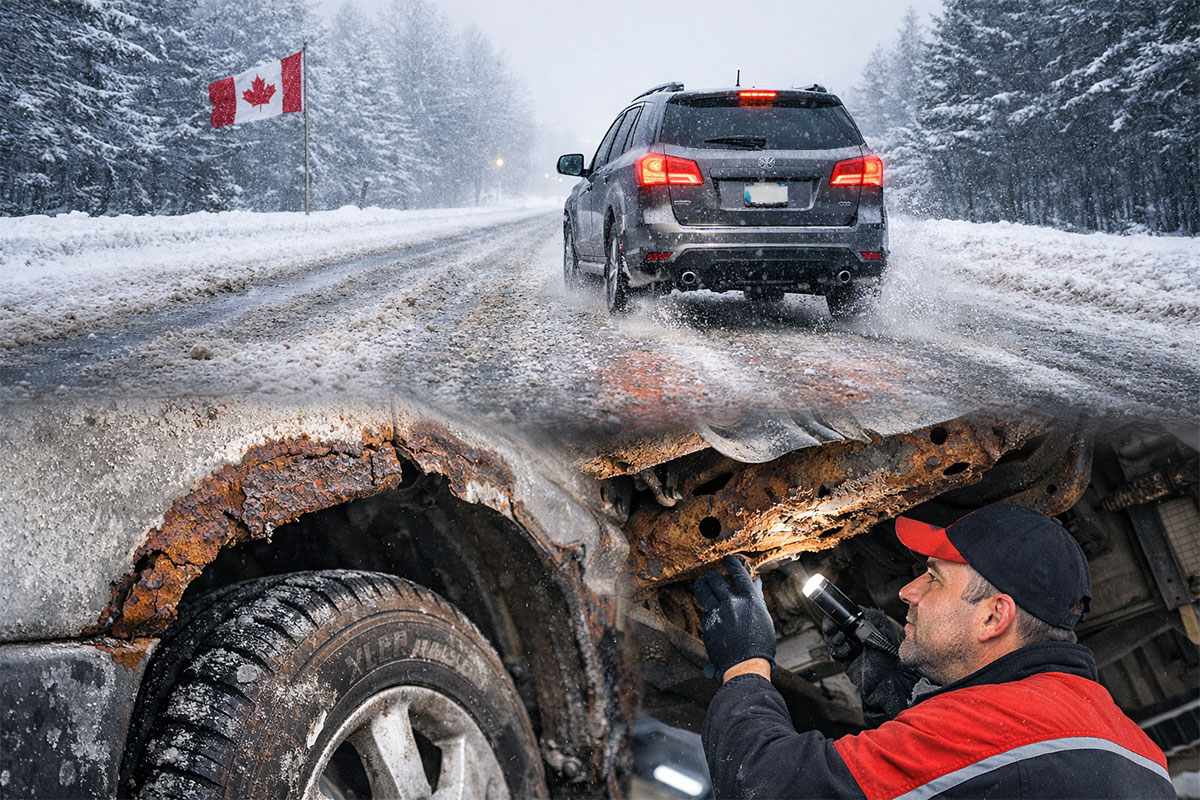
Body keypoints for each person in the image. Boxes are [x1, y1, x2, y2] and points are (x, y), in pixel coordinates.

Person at [694, 503, 1174, 799]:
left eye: (934, 578)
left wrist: (746, 664)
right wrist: (904, 704)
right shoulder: (1138, 748)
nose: (908, 591)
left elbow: (767, 786)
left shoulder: (996, 727)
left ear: (994, 616)